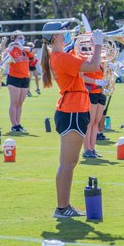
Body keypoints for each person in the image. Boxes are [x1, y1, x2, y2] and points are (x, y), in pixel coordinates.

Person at [39, 22, 104, 217]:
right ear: (57, 37)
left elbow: (87, 64)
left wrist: (93, 46)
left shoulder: (62, 55)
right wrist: (98, 44)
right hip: (72, 109)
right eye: (64, 31)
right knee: (68, 163)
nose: (68, 33)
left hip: (76, 107)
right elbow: (92, 66)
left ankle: (64, 206)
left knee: (71, 162)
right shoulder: (60, 57)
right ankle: (62, 207)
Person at [81, 60, 108, 159]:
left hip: (101, 91)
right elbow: (81, 77)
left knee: (96, 121)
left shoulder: (102, 60)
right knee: (90, 122)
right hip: (91, 91)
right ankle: (86, 150)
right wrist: (96, 81)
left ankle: (92, 148)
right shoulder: (86, 60)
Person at [6, 32, 32, 132]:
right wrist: (10, 47)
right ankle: (14, 125)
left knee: (20, 103)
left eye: (22, 38)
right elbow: (3, 56)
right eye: (19, 38)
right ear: (14, 39)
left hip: (25, 77)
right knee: (14, 102)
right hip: (14, 77)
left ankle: (18, 123)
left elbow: (33, 51)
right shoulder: (11, 49)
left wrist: (22, 47)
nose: (21, 39)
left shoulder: (24, 49)